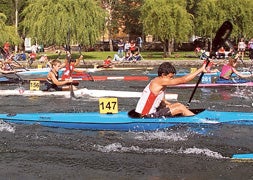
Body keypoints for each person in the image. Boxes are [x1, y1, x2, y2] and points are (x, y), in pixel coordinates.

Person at [131, 62, 207, 118]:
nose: (172, 79)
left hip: (148, 113)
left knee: (179, 105)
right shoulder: (159, 81)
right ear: (163, 75)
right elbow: (183, 80)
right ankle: (198, 121)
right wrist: (200, 70)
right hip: (145, 116)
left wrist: (174, 107)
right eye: (170, 77)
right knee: (180, 108)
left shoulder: (159, 84)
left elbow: (162, 102)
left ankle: (189, 115)